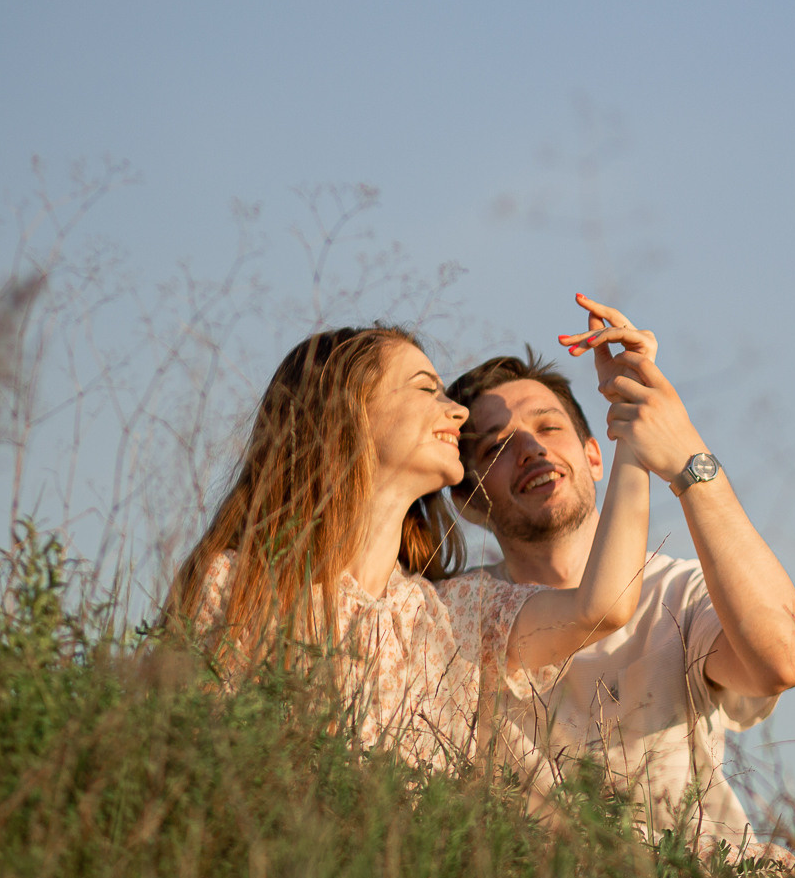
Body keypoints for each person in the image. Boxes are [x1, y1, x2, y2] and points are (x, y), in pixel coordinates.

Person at [168, 323, 653, 769]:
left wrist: (632, 428)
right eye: (426, 389)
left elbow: (603, 606)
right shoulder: (241, 586)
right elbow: (191, 762)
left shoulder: (458, 615)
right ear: (348, 410)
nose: (458, 412)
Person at [440, 294, 795, 857]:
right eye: (498, 446)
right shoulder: (453, 614)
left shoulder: (676, 592)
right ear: (468, 499)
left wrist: (684, 450)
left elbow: (781, 660)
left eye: (549, 426)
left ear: (595, 455)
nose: (533, 449)